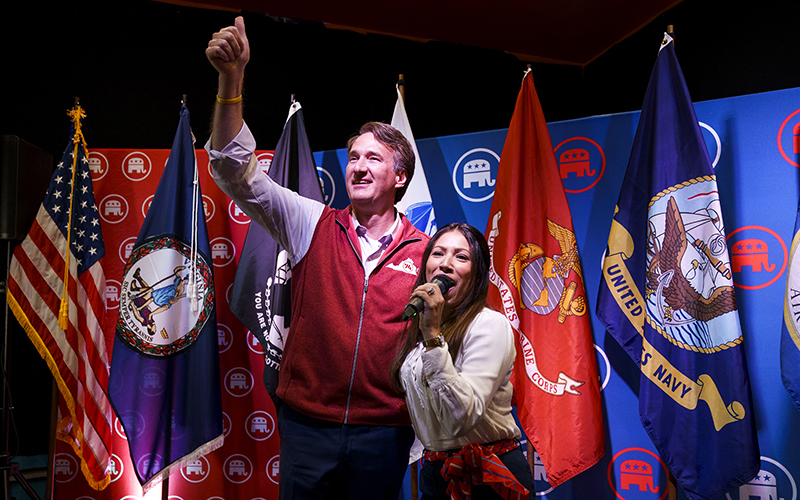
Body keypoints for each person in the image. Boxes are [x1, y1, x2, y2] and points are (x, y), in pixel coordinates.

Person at [205, 16, 430, 500]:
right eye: (354, 158)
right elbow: (231, 167)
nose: (358, 167)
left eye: (373, 159)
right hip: (307, 429)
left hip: (384, 435)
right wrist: (231, 79)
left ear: (400, 178)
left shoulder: (425, 251)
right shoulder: (311, 222)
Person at [390, 223, 535, 500]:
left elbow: (461, 418)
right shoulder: (423, 326)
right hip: (436, 473)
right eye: (437, 253)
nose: (445, 264)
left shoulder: (489, 325)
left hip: (489, 476)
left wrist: (433, 336)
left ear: (477, 273)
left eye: (461, 256)